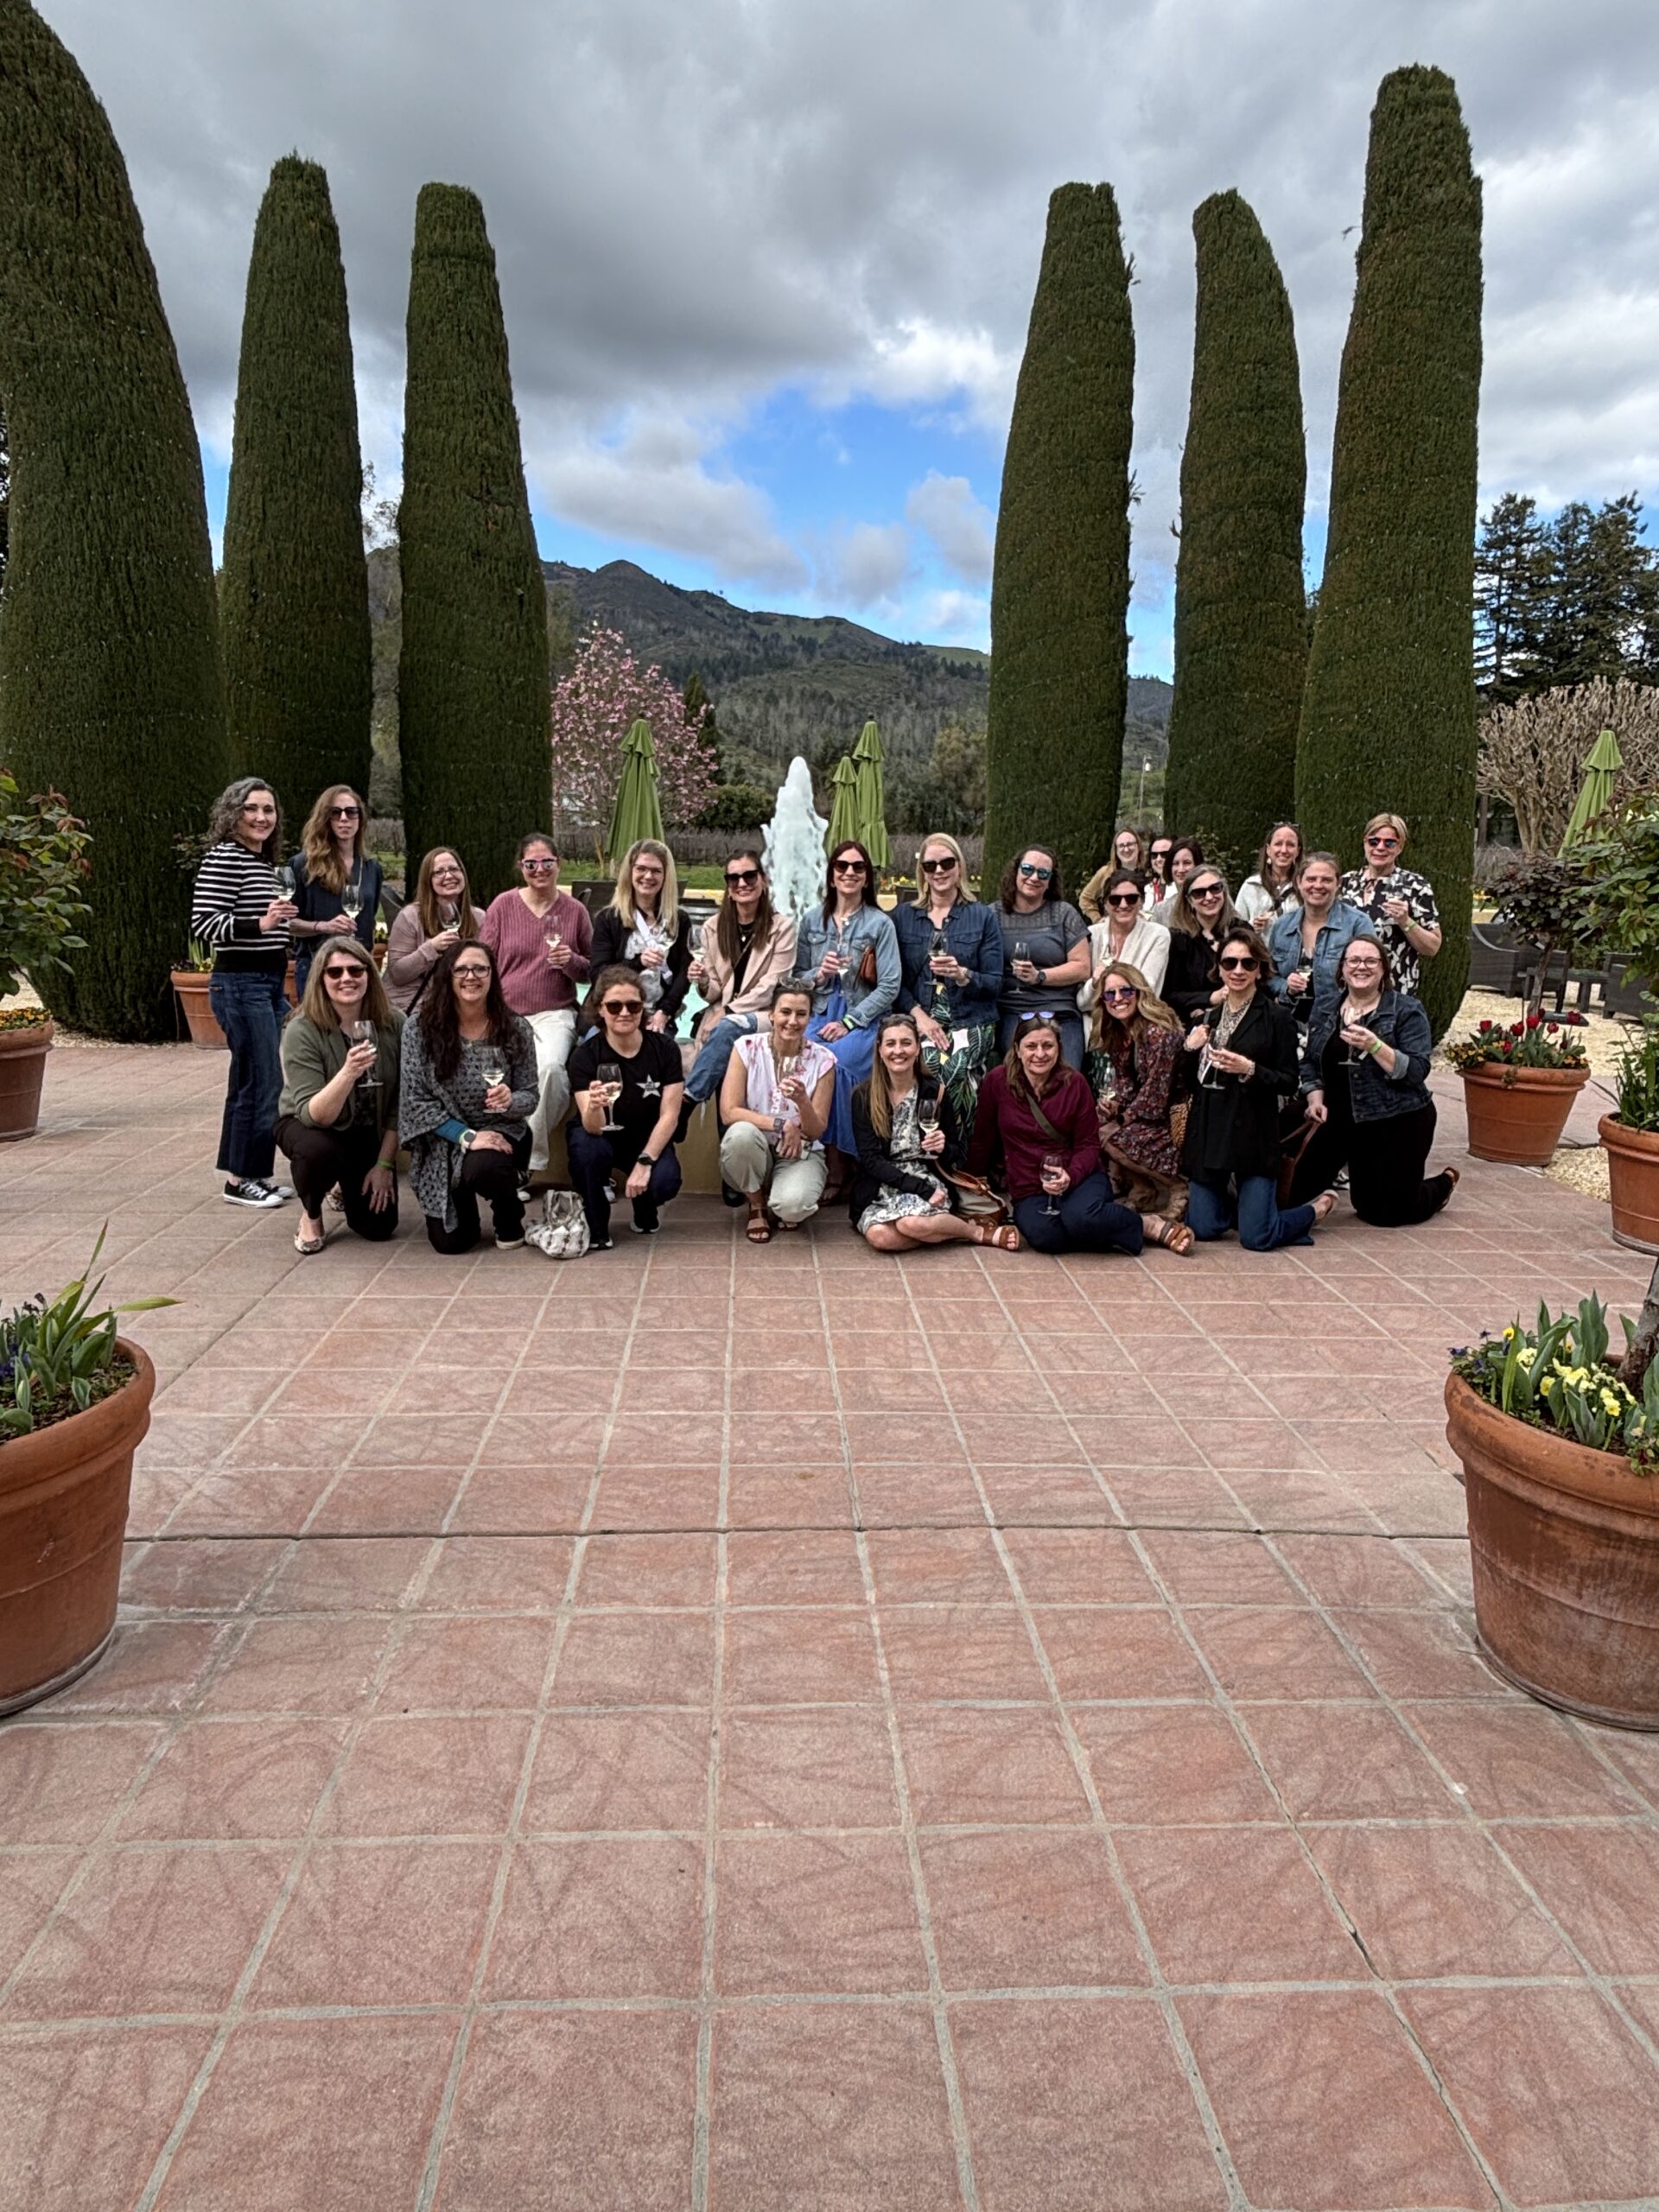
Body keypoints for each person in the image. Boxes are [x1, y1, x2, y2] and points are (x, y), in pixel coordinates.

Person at [968, 1013, 1185, 1256]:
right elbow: (983, 1138)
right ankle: (1109, 1226)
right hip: (1030, 1185)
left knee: (1082, 1217)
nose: (1040, 1054)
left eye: (1048, 1045)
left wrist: (1070, 1176)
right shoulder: (997, 1081)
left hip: (1080, 1175)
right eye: (1031, 1046)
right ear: (1017, 1050)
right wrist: (973, 1181)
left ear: (1059, 1048)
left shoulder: (1075, 1084)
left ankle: (1145, 1224)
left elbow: (1089, 1145)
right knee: (1046, 1238)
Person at [1180, 925, 1336, 1250]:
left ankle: (1311, 1212)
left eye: (1248, 963)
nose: (1238, 970)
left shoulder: (1277, 1018)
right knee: (1203, 1227)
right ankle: (1246, 1212)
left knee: (1257, 1238)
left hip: (1253, 1133)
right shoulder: (1207, 1018)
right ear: (1219, 968)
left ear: (1260, 969)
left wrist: (1250, 1070)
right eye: (1230, 963)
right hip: (1211, 1131)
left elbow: (1289, 1081)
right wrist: (1189, 1049)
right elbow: (1187, 1081)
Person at [1288, 937, 1459, 1226]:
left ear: (1384, 970)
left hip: (1397, 1118)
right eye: (1354, 960)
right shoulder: (1326, 1007)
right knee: (1290, 1195)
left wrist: (1376, 1046)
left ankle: (1442, 1184)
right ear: (1342, 969)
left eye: (1371, 961)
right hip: (1339, 1118)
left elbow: (1417, 1071)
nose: (1361, 967)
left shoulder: (1406, 1010)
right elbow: (1310, 1062)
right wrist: (1315, 1097)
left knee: (1384, 1214)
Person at [190, 777, 296, 1209]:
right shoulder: (225, 858)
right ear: (232, 814)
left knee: (253, 1080)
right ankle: (241, 1180)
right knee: (261, 1081)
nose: (261, 817)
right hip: (241, 983)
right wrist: (261, 924)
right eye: (251, 808)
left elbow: (271, 922)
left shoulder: (260, 862)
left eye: (268, 809)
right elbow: (203, 924)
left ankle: (249, 1174)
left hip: (267, 982)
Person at [399, 941, 538, 1254]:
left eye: (480, 969)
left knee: (484, 1168)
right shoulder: (418, 1030)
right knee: (452, 1243)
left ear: (492, 975)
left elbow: (530, 1096)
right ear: (447, 976)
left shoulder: (516, 1028)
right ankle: (463, 1202)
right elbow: (414, 1102)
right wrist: (466, 1136)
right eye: (460, 969)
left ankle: (508, 1213)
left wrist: (510, 1101)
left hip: (501, 1132)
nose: (471, 976)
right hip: (444, 1140)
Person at [850, 1012, 1020, 1253]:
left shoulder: (935, 1092)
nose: (898, 1051)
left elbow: (955, 1153)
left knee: (910, 1224)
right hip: (882, 1183)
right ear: (880, 1050)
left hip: (925, 1177)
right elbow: (870, 1160)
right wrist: (921, 1190)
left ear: (917, 1048)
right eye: (891, 1044)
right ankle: (949, 1230)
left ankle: (978, 1233)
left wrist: (942, 1147)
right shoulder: (864, 1096)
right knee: (881, 1238)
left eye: (906, 1043)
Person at [275, 943, 402, 1255]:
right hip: (310, 1126)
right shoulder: (302, 1029)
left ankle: (342, 1184)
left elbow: (401, 1102)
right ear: (321, 979)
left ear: (369, 975)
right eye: (335, 972)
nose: (347, 978)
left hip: (365, 1130)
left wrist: (384, 1164)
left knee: (378, 1227)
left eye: (356, 970)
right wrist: (348, 1073)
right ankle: (312, 1212)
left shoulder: (393, 1023)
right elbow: (314, 1115)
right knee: (318, 1152)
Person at [479, 834, 592, 1180]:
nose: (539, 869)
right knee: (497, 1077)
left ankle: (526, 1160)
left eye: (546, 862)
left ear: (559, 864)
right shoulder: (503, 906)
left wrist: (571, 961)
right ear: (521, 867)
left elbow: (593, 970)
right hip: (506, 1014)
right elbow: (483, 961)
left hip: (554, 1012)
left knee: (553, 1071)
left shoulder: (575, 911)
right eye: (531, 863)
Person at [793, 839, 901, 1158]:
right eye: (842, 866)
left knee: (837, 1060)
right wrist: (818, 974)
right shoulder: (812, 920)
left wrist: (849, 1022)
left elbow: (890, 985)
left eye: (858, 867)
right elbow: (796, 978)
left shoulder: (880, 924)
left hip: (863, 1016)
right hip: (821, 1011)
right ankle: (810, 1150)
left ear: (867, 878)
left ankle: (844, 1157)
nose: (849, 872)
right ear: (831, 876)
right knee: (802, 1055)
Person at [566, 964, 685, 1249]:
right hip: (600, 1135)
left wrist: (645, 1162)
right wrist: (594, 1107)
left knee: (665, 1182)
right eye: (614, 1006)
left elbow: (670, 1115)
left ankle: (645, 1207)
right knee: (587, 1152)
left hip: (646, 1135)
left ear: (643, 1008)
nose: (624, 1013)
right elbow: (593, 1127)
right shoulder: (585, 1056)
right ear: (600, 1009)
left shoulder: (665, 1049)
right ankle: (596, 1225)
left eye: (633, 1006)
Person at [891, 831, 1003, 1127]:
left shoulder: (982, 916)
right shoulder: (903, 917)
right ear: (923, 872)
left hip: (972, 1017)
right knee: (939, 1067)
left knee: (952, 1068)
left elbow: (995, 983)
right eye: (931, 866)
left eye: (947, 863)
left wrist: (964, 975)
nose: (939, 871)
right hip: (920, 1015)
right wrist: (919, 1018)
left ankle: (948, 1149)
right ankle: (945, 1148)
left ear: (959, 866)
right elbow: (893, 981)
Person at [718, 980, 837, 1241]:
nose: (792, 1021)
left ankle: (782, 1195)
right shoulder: (746, 1047)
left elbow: (816, 1131)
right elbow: (729, 1111)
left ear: (810, 1018)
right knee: (740, 1135)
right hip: (756, 1145)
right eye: (785, 1012)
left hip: (800, 1151)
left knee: (793, 1208)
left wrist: (803, 1101)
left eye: (801, 1014)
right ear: (771, 1014)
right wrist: (782, 1124)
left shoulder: (823, 1059)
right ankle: (757, 1203)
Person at [681, 850, 798, 1113]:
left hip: (763, 1014)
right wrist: (702, 980)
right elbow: (713, 992)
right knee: (726, 1051)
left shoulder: (782, 928)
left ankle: (688, 1101)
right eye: (734, 878)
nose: (742, 883)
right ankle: (726, 1132)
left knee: (727, 1028)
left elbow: (772, 986)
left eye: (749, 876)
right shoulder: (713, 928)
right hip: (721, 1018)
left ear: (763, 880)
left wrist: (728, 1012)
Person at [1090, 962, 1192, 1246]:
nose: (1118, 999)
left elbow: (1156, 1095)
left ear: (1139, 992)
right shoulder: (1119, 1032)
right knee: (1093, 1123)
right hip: (1149, 1109)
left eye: (1126, 991)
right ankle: (1142, 1188)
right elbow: (1125, 1083)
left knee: (1109, 1135)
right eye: (1110, 994)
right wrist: (1114, 1106)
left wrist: (1121, 1119)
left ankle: (1177, 1188)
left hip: (1175, 1116)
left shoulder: (1158, 1032)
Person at [995, 845, 1091, 1068]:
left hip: (1060, 1012)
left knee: (1067, 1076)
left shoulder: (1064, 914)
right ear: (1016, 871)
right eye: (1028, 869)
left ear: (1050, 881)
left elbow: (1082, 967)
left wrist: (1039, 976)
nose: (1034, 877)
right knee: (1024, 1072)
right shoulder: (993, 915)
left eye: (1043, 873)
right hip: (1013, 1011)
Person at [587, 840, 694, 1036]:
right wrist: (639, 963)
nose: (648, 876)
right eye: (641, 869)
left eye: (656, 871)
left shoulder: (679, 920)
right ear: (630, 872)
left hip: (656, 1015)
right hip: (614, 1014)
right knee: (592, 1048)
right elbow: (598, 974)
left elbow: (683, 974)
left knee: (659, 1050)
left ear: (666, 876)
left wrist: (665, 1012)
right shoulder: (609, 918)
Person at [287, 785, 384, 1000]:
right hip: (317, 967)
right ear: (325, 819)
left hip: (358, 968)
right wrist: (323, 926)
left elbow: (369, 919)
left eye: (351, 812)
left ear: (360, 818)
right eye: (335, 812)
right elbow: (287, 923)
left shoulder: (372, 868)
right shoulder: (304, 865)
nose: (344, 819)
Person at [1339, 812, 1443, 999]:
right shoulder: (1346, 883)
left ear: (1400, 847)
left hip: (1394, 990)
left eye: (1389, 843)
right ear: (1365, 842)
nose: (1380, 847)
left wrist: (1406, 921)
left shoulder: (1414, 885)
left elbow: (1433, 947)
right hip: (1349, 988)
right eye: (1374, 841)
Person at [1266, 853, 1371, 1024]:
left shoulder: (1357, 924)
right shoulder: (1282, 926)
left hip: (1341, 1023)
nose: (1318, 885)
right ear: (1299, 882)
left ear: (1338, 883)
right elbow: (1269, 975)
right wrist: (1286, 986)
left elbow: (1371, 975)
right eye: (1311, 879)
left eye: (1326, 880)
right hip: (1289, 1023)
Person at [384, 848, 486, 1014]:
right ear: (428, 880)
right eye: (439, 872)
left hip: (460, 1008)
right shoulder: (410, 917)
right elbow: (398, 974)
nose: (449, 876)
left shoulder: (479, 918)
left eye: (454, 869)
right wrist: (431, 948)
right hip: (415, 1008)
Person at [1079, 868, 1170, 1026]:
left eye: (1131, 898)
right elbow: (1081, 1002)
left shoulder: (1158, 935)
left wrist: (1105, 985)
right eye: (1115, 899)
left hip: (1140, 1022)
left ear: (1141, 901)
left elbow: (1146, 991)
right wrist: (1093, 984)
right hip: (1095, 1023)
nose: (1123, 904)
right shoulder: (1090, 936)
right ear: (1105, 904)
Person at [1163, 868, 1240, 1023]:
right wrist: (1211, 998)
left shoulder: (1242, 931)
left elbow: (1262, 977)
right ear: (1189, 900)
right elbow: (1169, 995)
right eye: (1199, 893)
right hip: (1196, 1022)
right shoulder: (1177, 939)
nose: (1209, 897)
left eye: (1215, 888)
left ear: (1224, 891)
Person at [1236, 823, 1304, 928]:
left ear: (1298, 851)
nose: (1284, 850)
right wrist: (1252, 926)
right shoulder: (1251, 887)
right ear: (1268, 849)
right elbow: (1235, 929)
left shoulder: (1305, 887)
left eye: (1290, 845)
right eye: (1278, 844)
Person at [1079, 829, 1149, 922]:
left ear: (1138, 846)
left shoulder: (1149, 872)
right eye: (1121, 846)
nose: (1126, 849)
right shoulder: (1106, 873)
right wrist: (1097, 919)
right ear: (1116, 850)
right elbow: (1085, 898)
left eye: (1130, 844)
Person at [1153, 836, 1205, 923]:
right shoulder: (1161, 910)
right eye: (1175, 863)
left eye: (1187, 863)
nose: (1181, 869)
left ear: (1198, 865)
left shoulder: (1210, 902)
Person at [1147, 835, 1174, 906]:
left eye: (1164, 854)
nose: (1158, 859)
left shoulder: (1183, 889)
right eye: (1154, 855)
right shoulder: (1147, 889)